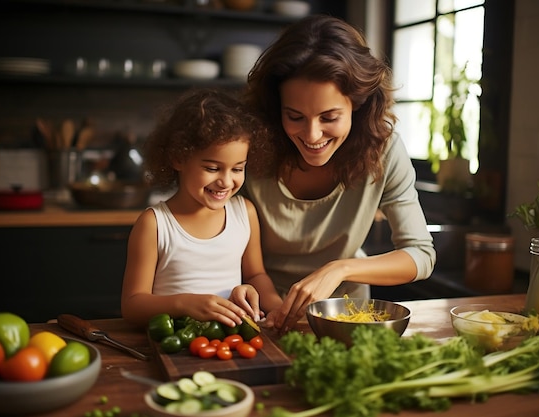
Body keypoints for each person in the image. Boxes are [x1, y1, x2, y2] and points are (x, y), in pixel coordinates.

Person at [241, 15, 436, 332]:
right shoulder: (248, 147)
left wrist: (340, 270)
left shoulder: (383, 150)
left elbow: (421, 255)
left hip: (345, 318)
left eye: (329, 117)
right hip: (259, 314)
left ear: (357, 106)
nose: (312, 134)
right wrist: (278, 312)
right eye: (295, 116)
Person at [121, 89, 282, 328]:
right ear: (178, 159)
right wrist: (185, 304)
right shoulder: (155, 224)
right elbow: (132, 306)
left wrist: (278, 308)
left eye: (237, 169)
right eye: (213, 168)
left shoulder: (245, 213)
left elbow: (256, 275)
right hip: (175, 343)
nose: (226, 182)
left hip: (228, 341)